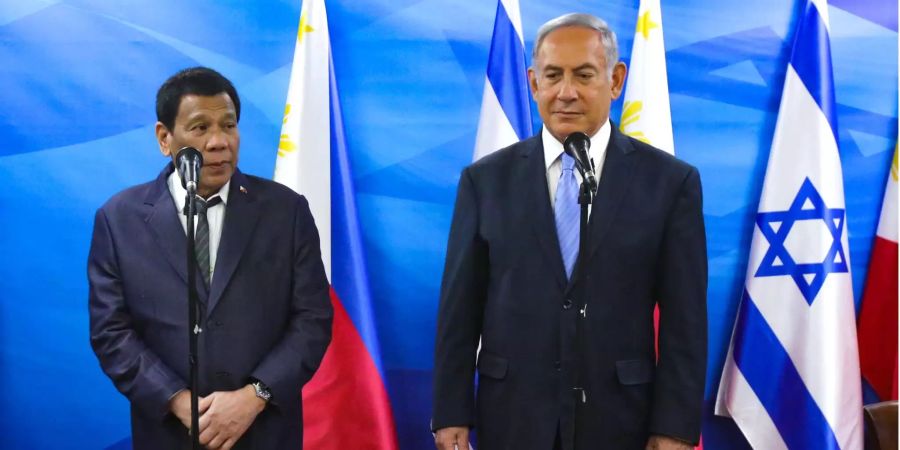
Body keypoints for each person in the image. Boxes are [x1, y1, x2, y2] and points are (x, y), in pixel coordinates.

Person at [432, 13, 707, 450]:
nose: (566, 92)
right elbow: (458, 312)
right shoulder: (484, 182)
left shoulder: (670, 184)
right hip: (512, 416)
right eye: (553, 75)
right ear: (533, 82)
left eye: (584, 75)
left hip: (622, 420)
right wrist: (450, 411)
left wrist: (673, 427)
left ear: (616, 81)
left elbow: (685, 322)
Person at [89, 67, 333, 450]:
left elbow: (313, 318)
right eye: (200, 128)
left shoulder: (285, 212)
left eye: (229, 125)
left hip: (264, 431)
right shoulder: (119, 219)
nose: (220, 142)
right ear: (165, 138)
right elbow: (111, 332)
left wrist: (254, 396)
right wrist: (178, 401)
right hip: (170, 433)